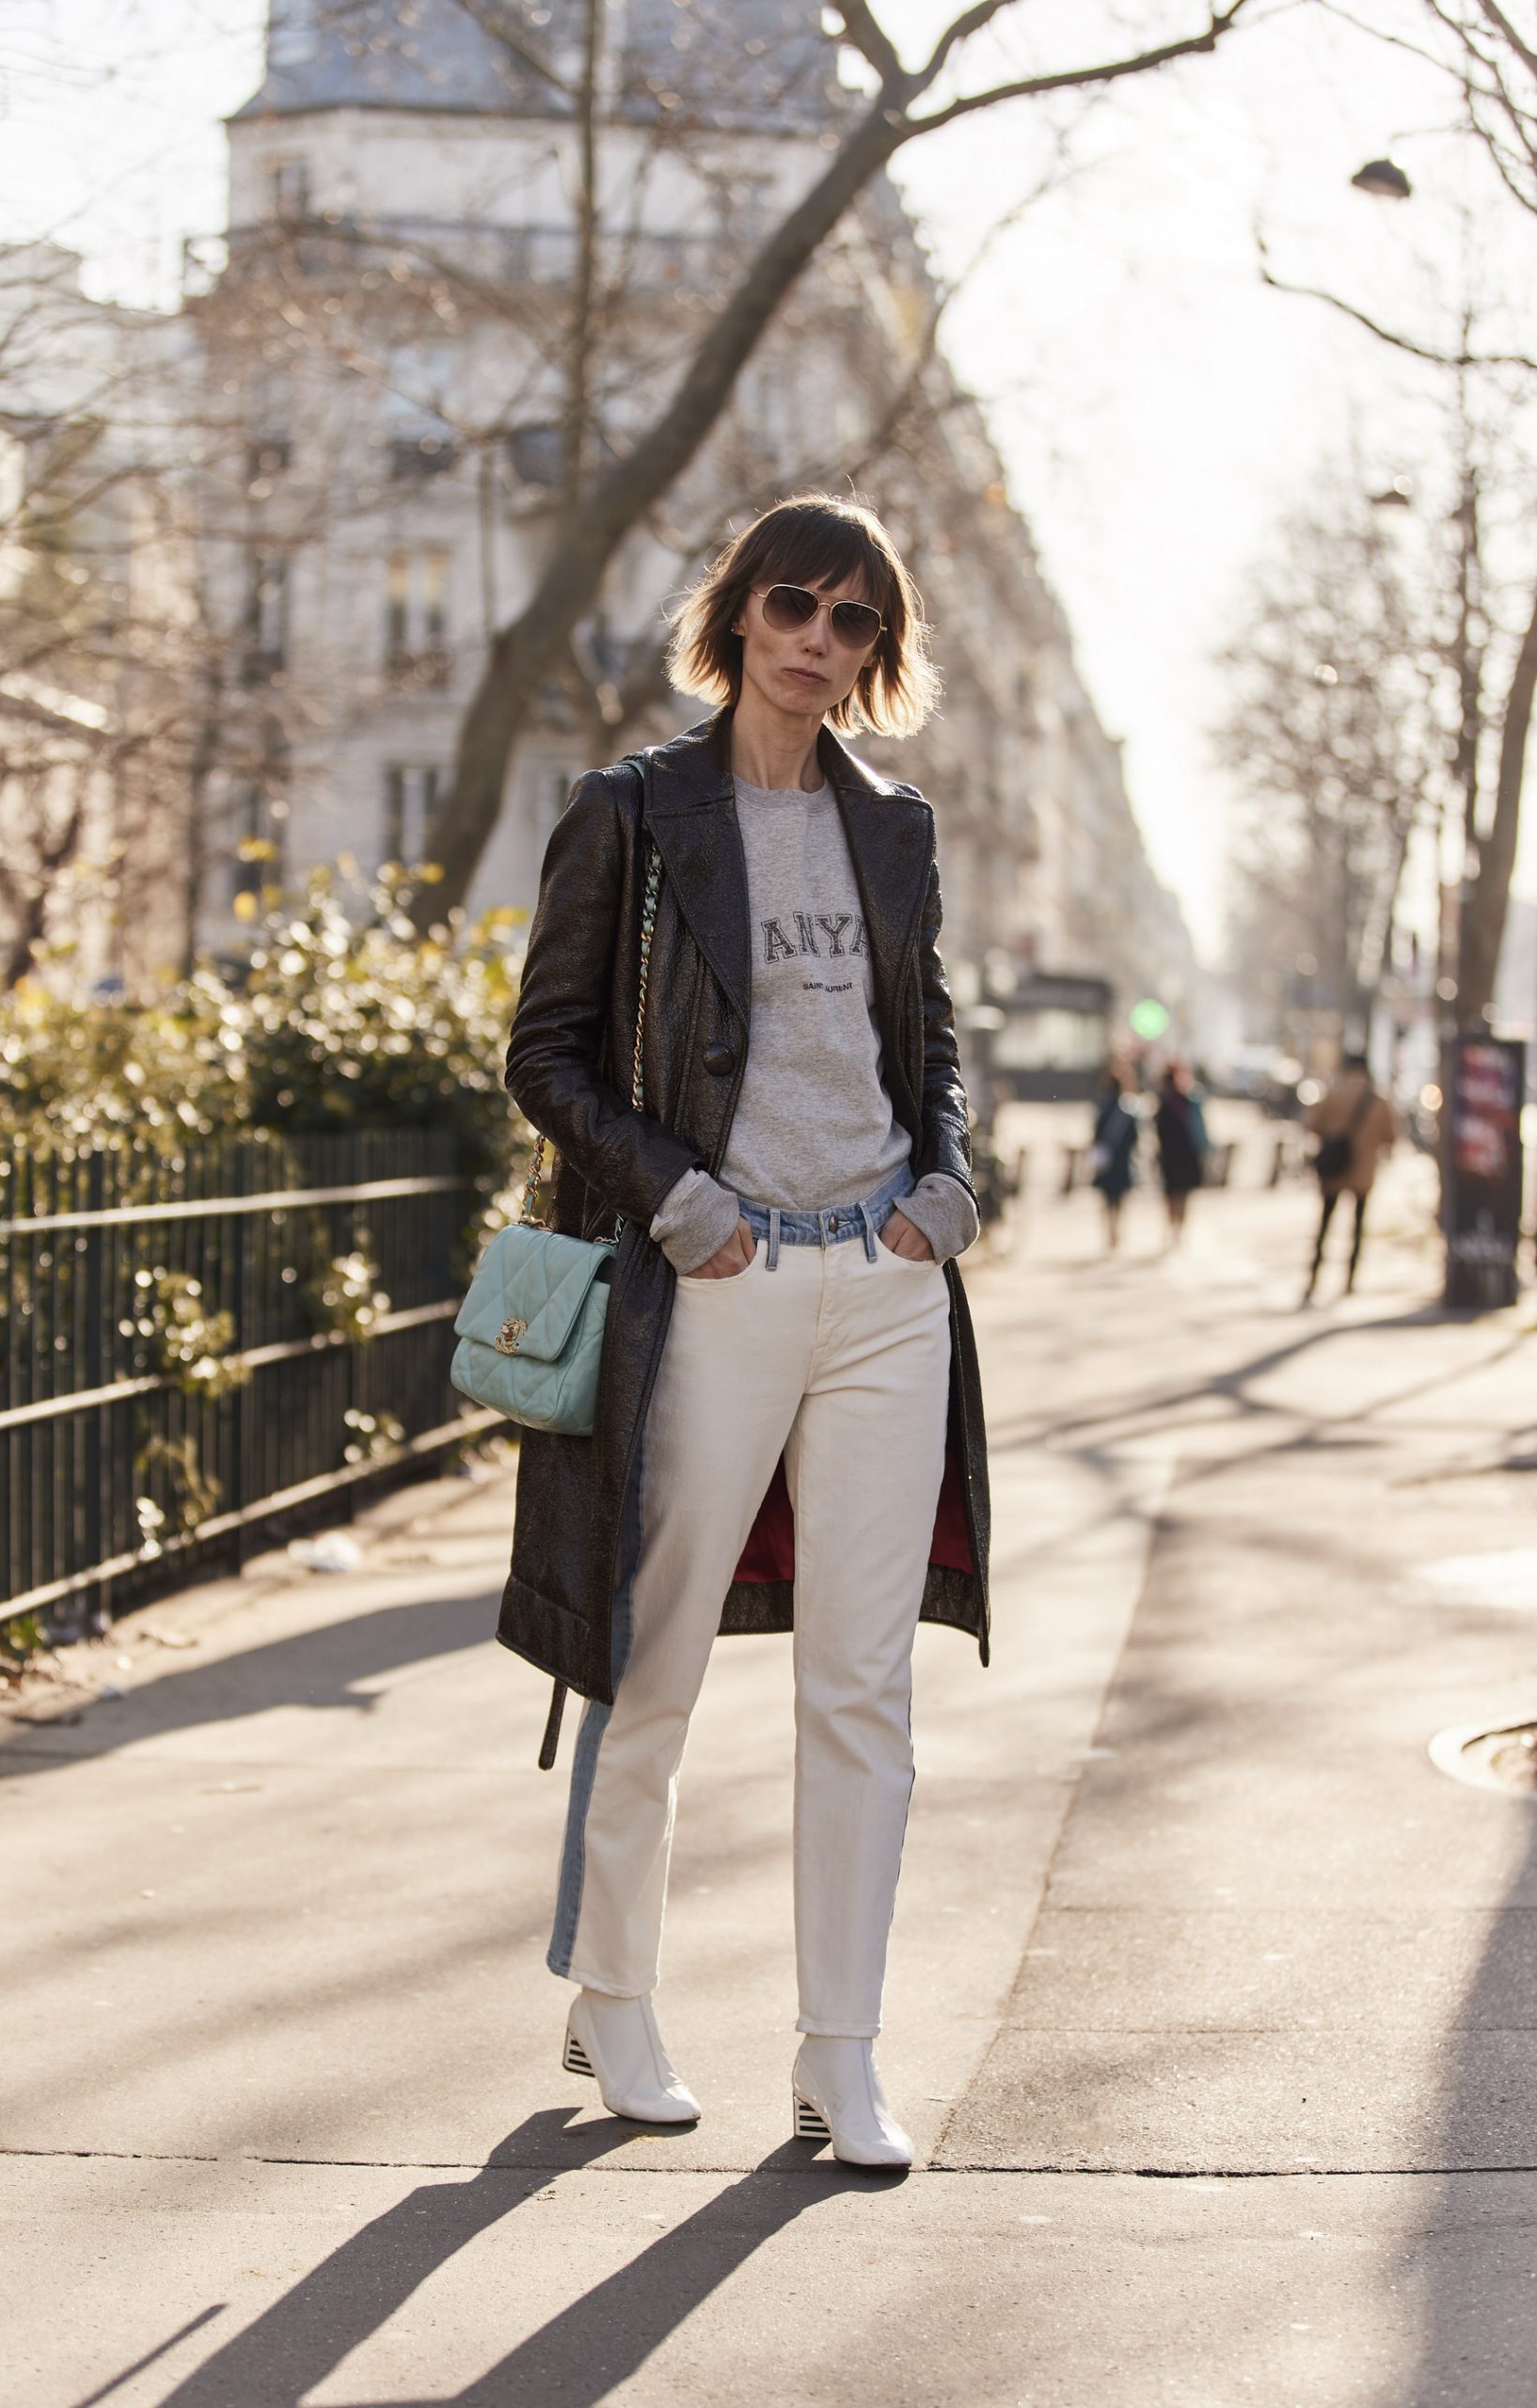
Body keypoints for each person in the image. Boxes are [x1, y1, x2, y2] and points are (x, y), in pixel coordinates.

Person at [498, 495, 990, 2168]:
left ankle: (839, 2051)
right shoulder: (631, 816)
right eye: (794, 603)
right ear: (737, 615)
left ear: (876, 654)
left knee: (863, 1688)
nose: (817, 639)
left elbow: (924, 1039)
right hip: (712, 1282)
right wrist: (679, 1200)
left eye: (854, 621)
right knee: (656, 1661)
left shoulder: (895, 829)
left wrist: (948, 1182)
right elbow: (544, 1055)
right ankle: (615, 1992)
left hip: (881, 1288)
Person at [1304, 1050, 1397, 1301]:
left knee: (1324, 1226)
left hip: (1334, 1171)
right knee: (1357, 1228)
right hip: (1363, 1174)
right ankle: (1350, 1280)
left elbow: (1313, 1126)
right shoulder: (1378, 1100)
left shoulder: (1332, 1094)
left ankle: (1313, 1278)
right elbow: (1391, 1137)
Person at [1153, 1058, 1208, 1246]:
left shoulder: (1165, 1103)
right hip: (1185, 1155)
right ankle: (1178, 1231)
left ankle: (1173, 1229)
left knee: (1172, 1194)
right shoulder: (1187, 1101)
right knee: (1182, 1194)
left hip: (1171, 1156)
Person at [1089, 1060, 1139, 1251]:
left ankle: (1109, 1233)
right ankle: (1117, 1232)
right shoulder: (1128, 1110)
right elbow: (1134, 1137)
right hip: (1122, 1161)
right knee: (1119, 1199)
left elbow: (1095, 1134)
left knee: (1107, 1200)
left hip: (1106, 1162)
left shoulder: (1103, 1107)